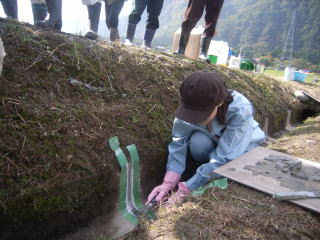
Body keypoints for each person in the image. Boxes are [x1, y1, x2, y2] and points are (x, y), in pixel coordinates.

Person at [146, 71, 266, 205]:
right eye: (191, 112)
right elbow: (177, 144)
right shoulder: (190, 103)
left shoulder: (240, 109)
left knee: (234, 161)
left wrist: (187, 188)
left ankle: (205, 174)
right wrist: (168, 183)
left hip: (242, 145)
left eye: (201, 113)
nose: (193, 118)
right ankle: (203, 169)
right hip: (213, 140)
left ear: (219, 103)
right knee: (198, 142)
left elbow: (226, 157)